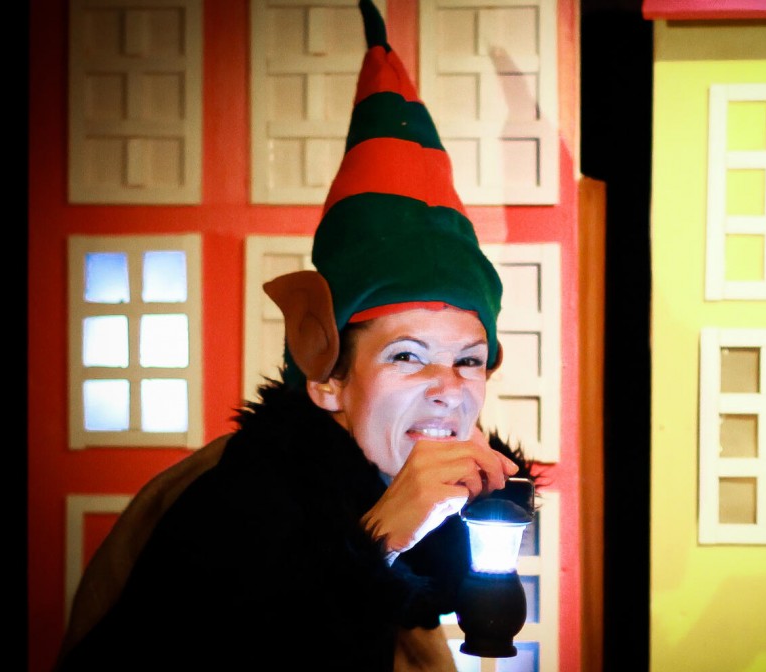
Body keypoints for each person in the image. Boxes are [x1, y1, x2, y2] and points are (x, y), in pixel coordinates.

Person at [55, 2, 532, 669]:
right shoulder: (239, 504)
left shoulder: (438, 502)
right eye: (407, 355)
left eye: (469, 360)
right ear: (327, 379)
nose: (448, 390)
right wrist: (377, 542)